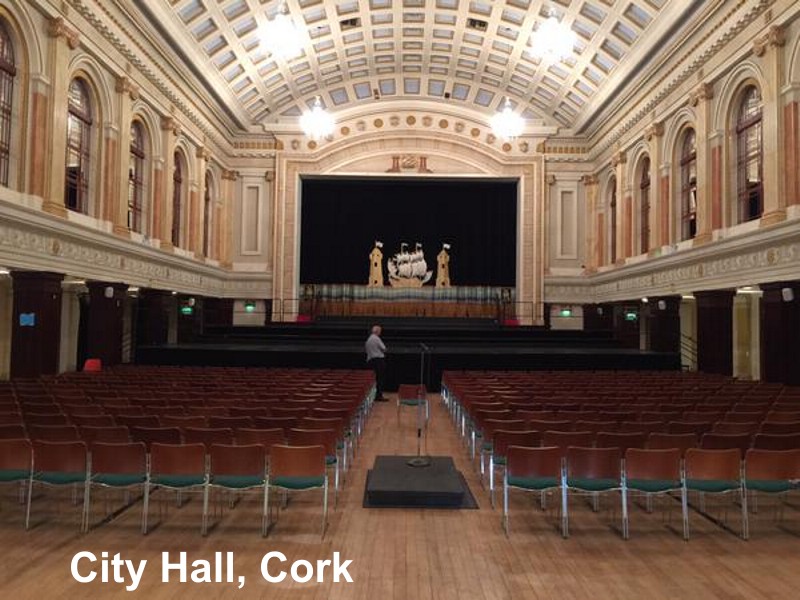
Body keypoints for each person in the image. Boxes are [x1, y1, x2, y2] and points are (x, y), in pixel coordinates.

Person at [365, 325, 387, 401]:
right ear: (377, 331)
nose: (380, 332)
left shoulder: (369, 339)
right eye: (380, 331)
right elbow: (384, 348)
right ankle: (379, 396)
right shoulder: (377, 339)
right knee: (380, 379)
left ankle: (372, 395)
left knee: (373, 379)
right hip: (378, 361)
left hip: (370, 361)